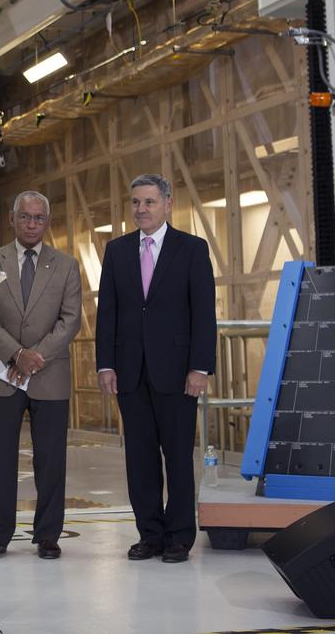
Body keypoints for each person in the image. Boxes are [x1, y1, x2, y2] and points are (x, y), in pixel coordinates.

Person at [95, 173, 216, 564]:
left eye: (148, 202)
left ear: (167, 204)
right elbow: (107, 312)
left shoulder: (192, 249)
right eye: (135, 202)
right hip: (130, 373)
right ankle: (150, 534)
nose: (141, 209)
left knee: (178, 457)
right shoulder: (116, 251)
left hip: (178, 373)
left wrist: (200, 367)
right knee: (140, 459)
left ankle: (179, 536)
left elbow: (204, 315)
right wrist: (105, 365)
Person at [0, 190, 82, 561]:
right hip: (3, 373)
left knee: (51, 459)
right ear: (12, 218)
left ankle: (48, 534)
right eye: (25, 217)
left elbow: (71, 320)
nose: (32, 223)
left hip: (50, 375)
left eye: (38, 218)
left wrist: (37, 357)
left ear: (47, 222)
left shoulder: (67, 265)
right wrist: (16, 354)